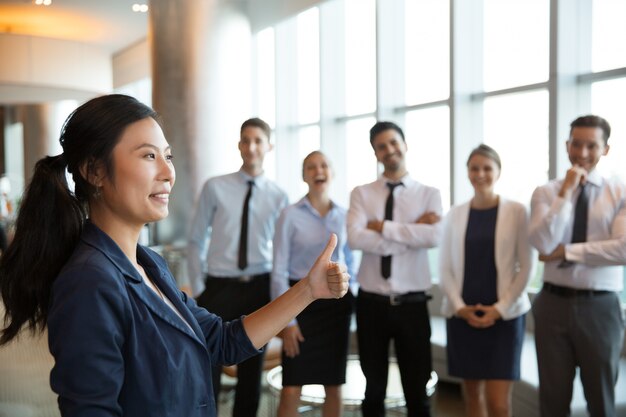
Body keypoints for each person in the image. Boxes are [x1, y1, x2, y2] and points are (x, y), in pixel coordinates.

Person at [0, 94, 350, 417]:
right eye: (149, 156)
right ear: (95, 171)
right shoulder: (88, 283)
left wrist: (308, 289)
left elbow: (223, 341)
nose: (169, 173)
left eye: (167, 156)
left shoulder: (149, 264)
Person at [187, 117, 288, 417]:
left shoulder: (279, 196)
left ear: (268, 146)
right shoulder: (215, 187)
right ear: (239, 145)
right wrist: (201, 286)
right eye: (246, 140)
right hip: (218, 286)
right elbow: (196, 239)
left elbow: (282, 250)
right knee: (209, 365)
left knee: (251, 368)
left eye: (258, 140)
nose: (251, 146)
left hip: (260, 284)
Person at [529, 115, 626, 417]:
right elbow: (543, 244)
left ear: (605, 149)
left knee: (601, 401)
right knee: (553, 400)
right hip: (552, 304)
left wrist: (567, 252)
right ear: (566, 144)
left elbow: (622, 248)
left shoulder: (619, 192)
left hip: (601, 308)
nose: (582, 153)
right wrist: (565, 193)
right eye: (576, 144)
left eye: (591, 145)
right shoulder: (546, 192)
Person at [347, 121, 443, 417]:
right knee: (373, 389)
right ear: (375, 154)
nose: (389, 150)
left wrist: (384, 228)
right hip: (371, 303)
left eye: (393, 143)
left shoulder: (429, 193)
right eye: (381, 146)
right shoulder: (362, 193)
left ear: (404, 144)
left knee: (417, 390)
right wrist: (412, 231)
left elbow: (435, 237)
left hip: (412, 304)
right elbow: (355, 238)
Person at [439, 144, 533, 417]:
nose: (480, 174)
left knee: (499, 404)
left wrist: (499, 309)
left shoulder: (517, 212)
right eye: (474, 168)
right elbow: (445, 267)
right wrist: (459, 307)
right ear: (467, 172)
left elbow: (526, 267)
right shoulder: (454, 214)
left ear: (498, 172)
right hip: (462, 316)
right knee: (471, 398)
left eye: (487, 168)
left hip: (505, 318)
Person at [272, 151, 356, 417]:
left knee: (334, 385)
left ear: (332, 172)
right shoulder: (289, 214)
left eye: (324, 165)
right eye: (311, 167)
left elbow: (352, 262)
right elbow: (278, 270)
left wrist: (350, 292)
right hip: (299, 304)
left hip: (335, 307)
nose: (318, 170)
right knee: (291, 387)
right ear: (304, 175)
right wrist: (288, 321)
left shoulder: (345, 215)